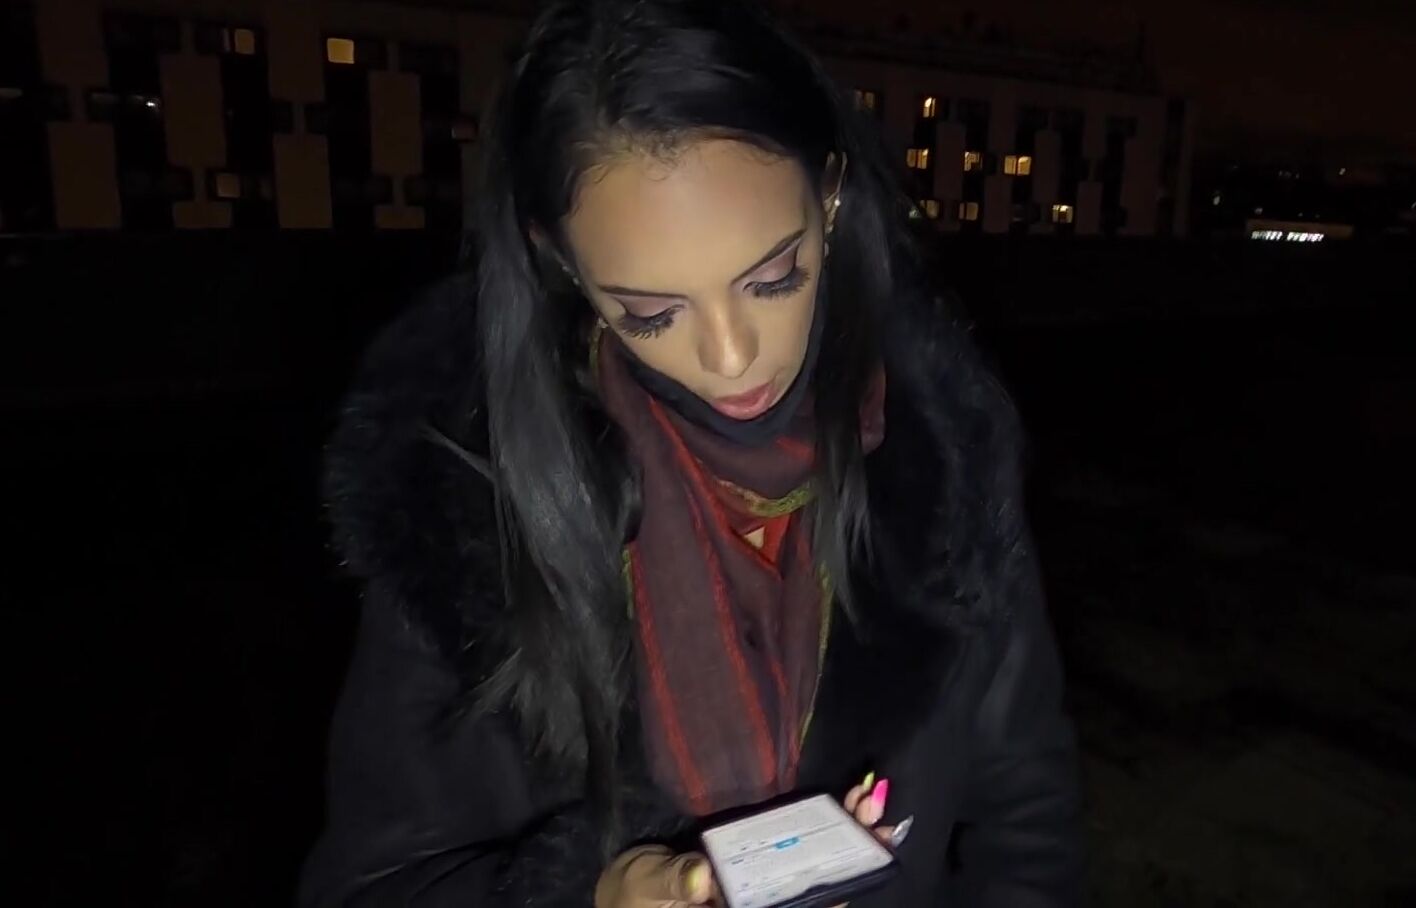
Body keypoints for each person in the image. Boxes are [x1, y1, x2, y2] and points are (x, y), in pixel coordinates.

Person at [297, 1, 1083, 905]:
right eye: (650, 313)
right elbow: (371, 886)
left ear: (829, 197)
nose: (731, 358)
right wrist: (584, 897)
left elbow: (1027, 818)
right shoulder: (464, 514)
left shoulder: (945, 456)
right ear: (562, 264)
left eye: (773, 277)